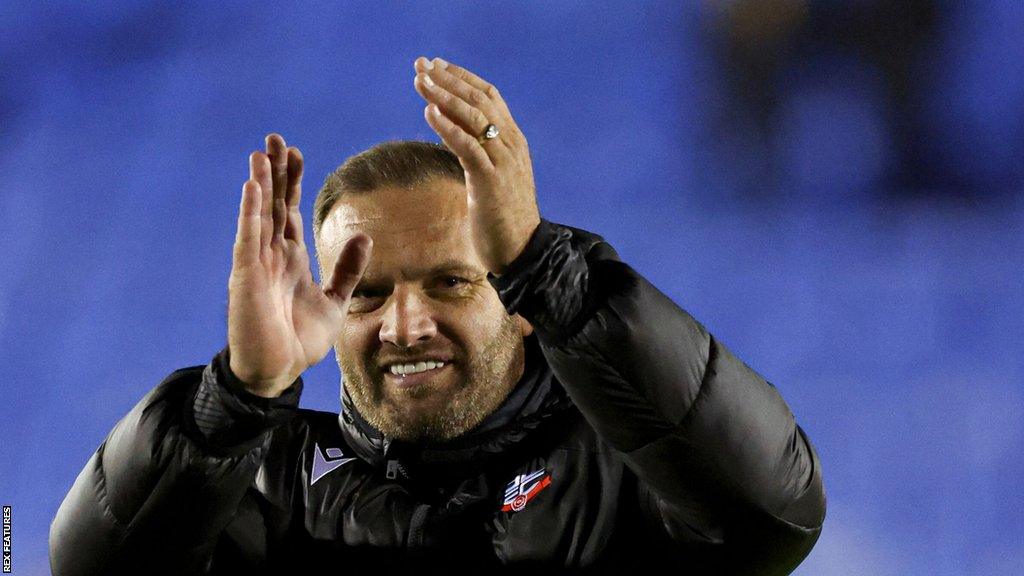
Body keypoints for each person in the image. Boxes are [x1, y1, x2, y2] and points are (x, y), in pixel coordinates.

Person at [49, 57, 825, 575]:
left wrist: (555, 275)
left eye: (451, 283)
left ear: (520, 305)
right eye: (366, 292)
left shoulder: (623, 469)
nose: (404, 324)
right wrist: (237, 398)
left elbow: (773, 512)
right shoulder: (263, 480)